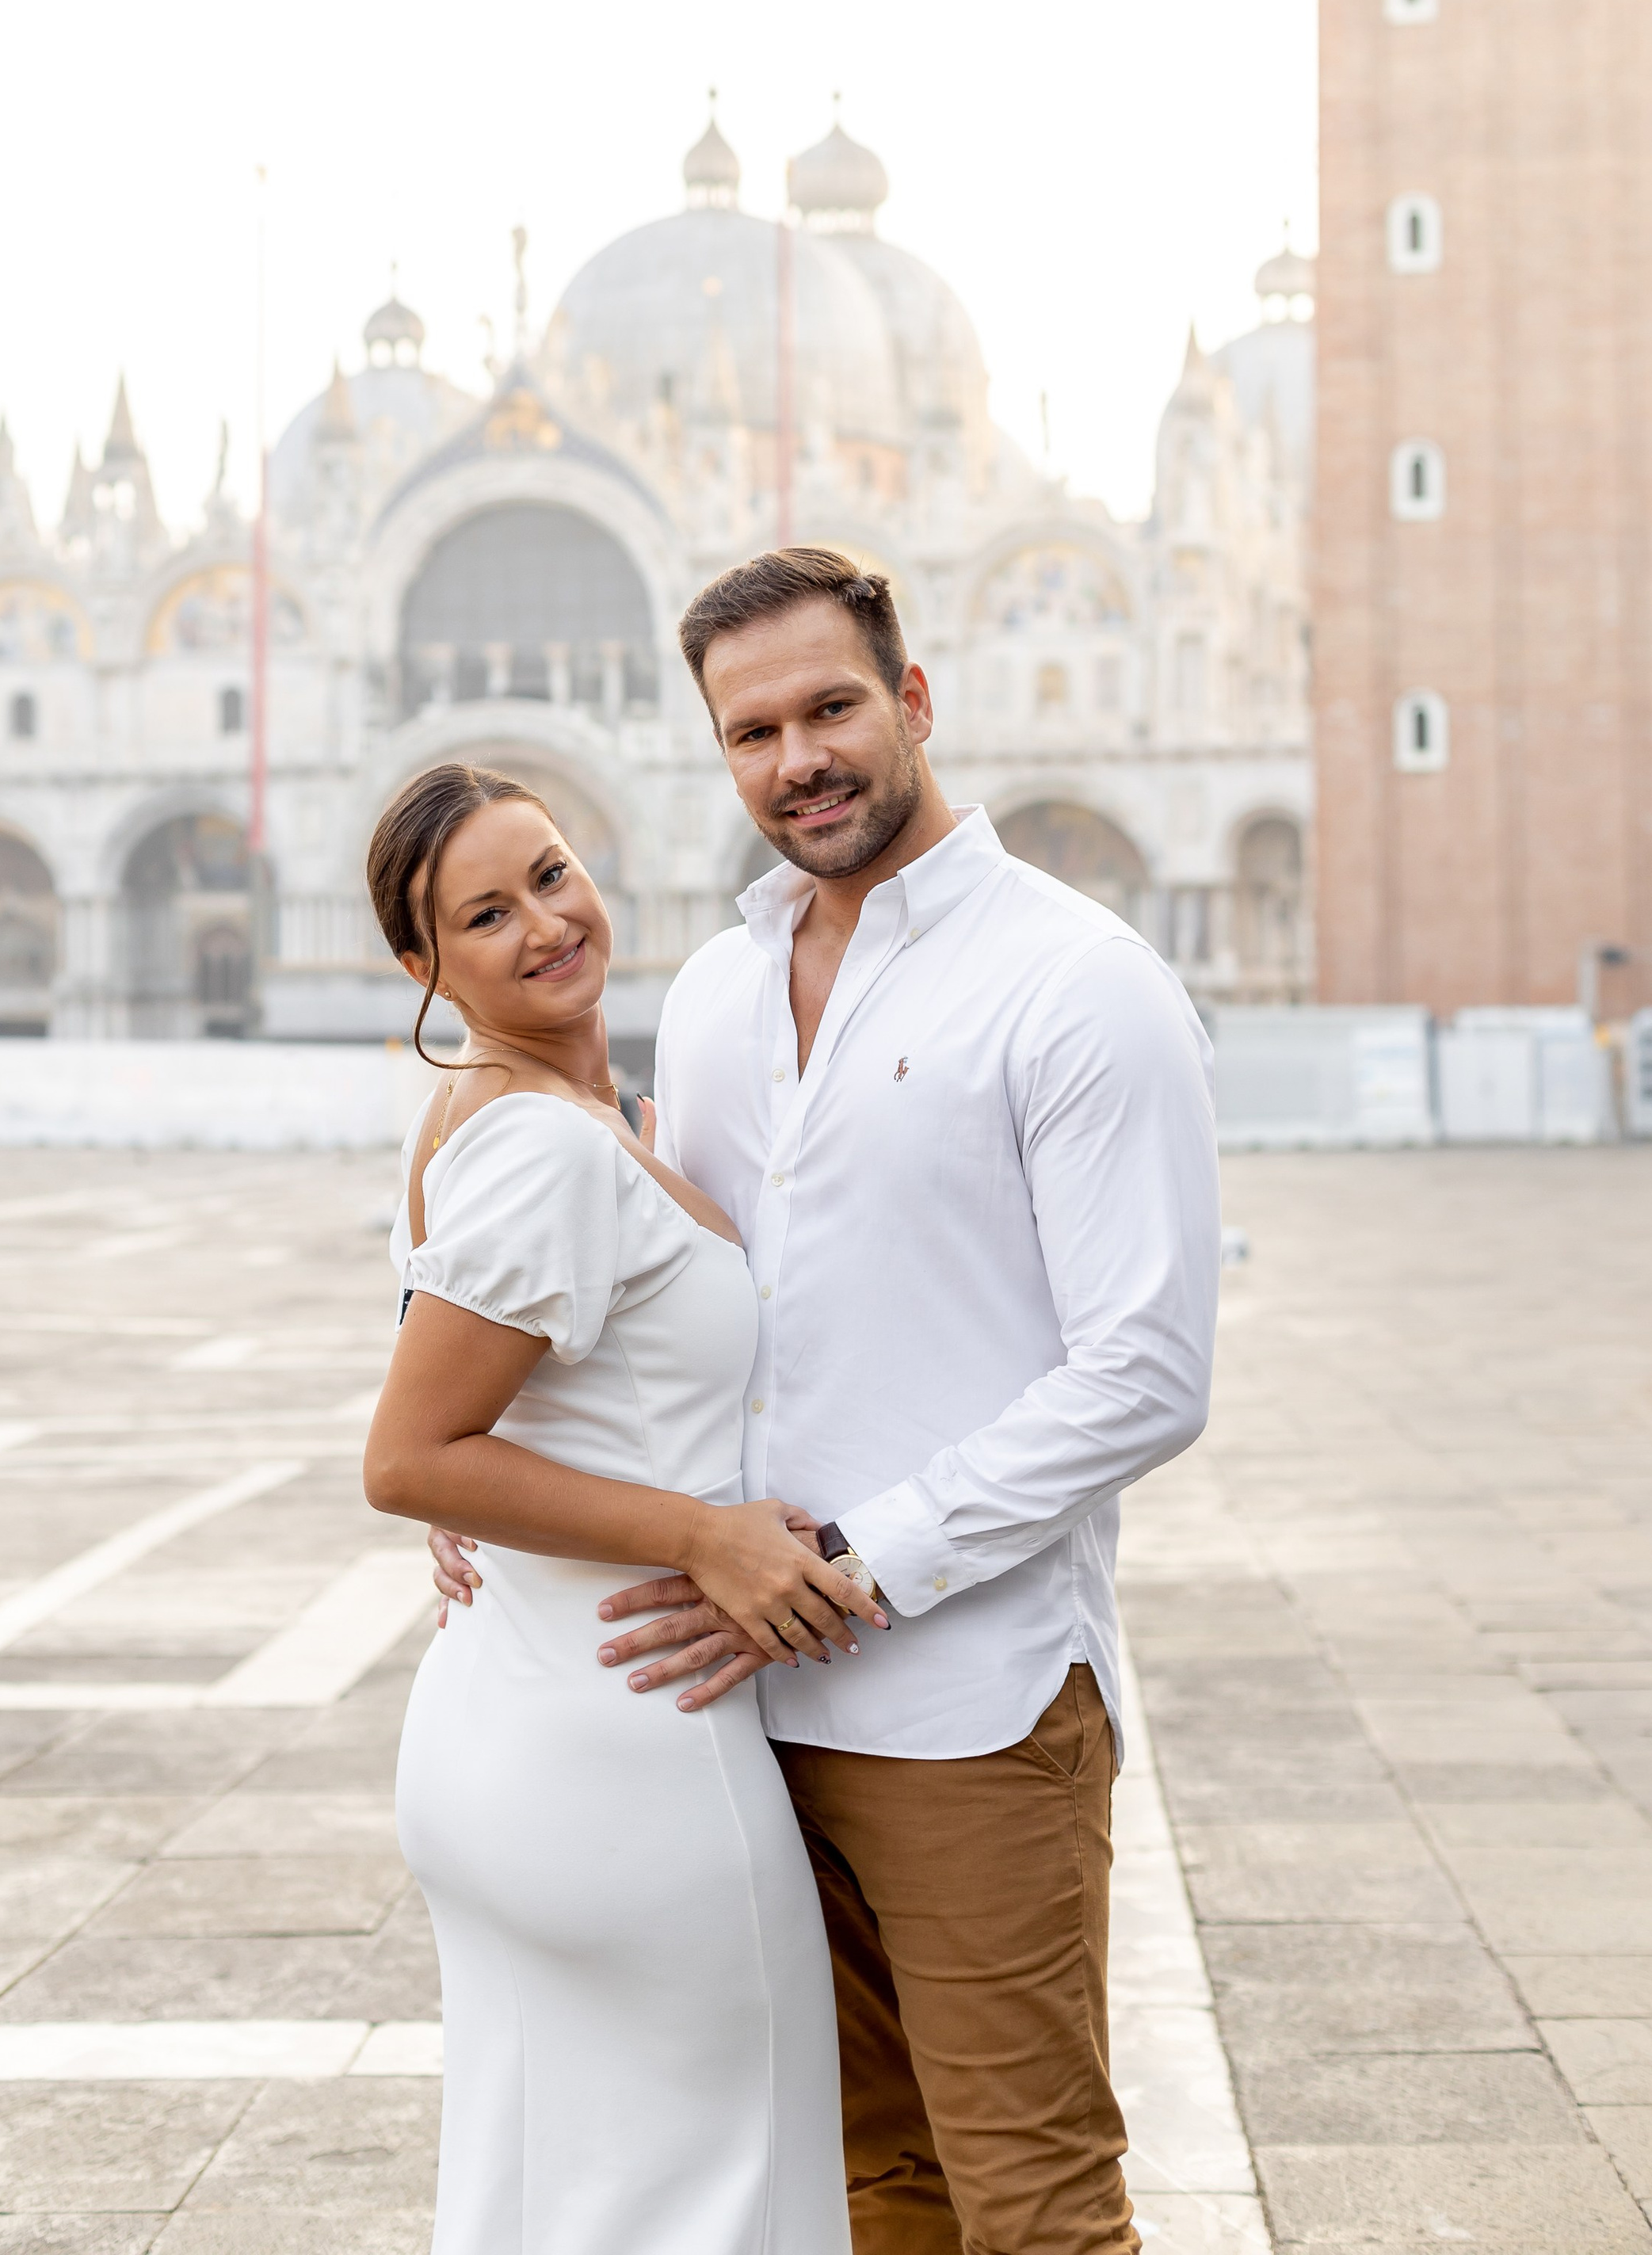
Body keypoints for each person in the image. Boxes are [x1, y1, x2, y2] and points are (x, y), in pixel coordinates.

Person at [433, 548, 1220, 2255]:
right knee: (861, 2184)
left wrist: (853, 1563)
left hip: (961, 1703)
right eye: (751, 731)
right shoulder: (715, 992)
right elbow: (653, 1302)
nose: (795, 757)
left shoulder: (1076, 984)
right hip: (722, 1729)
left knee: (1032, 2205)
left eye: (829, 708)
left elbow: (1144, 1371)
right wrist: (482, 1487)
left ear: (914, 701)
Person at [361, 760, 877, 2255]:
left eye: (552, 871)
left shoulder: (500, 1112)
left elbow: (487, 1408)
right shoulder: (537, 1143)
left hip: (516, 1723)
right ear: (425, 967)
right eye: (485, 913)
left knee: (553, 2198)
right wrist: (703, 1533)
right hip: (629, 1747)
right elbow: (410, 1456)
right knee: (726, 2191)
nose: (546, 921)